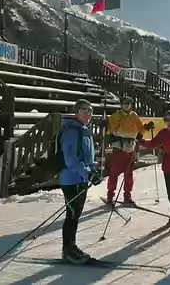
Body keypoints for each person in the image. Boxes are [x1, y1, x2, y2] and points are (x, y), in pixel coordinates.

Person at [59, 99, 102, 264]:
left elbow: (88, 158)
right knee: (71, 215)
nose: (88, 113)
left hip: (81, 179)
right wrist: (87, 173)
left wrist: (94, 171)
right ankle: (67, 250)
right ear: (76, 112)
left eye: (90, 111)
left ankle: (72, 246)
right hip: (70, 180)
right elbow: (71, 160)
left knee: (75, 215)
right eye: (84, 110)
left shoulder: (85, 130)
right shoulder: (71, 130)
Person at [106, 96, 154, 205]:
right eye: (124, 103)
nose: (126, 105)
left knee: (129, 175)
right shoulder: (116, 115)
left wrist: (147, 127)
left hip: (130, 148)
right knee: (114, 173)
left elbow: (140, 130)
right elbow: (110, 130)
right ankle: (110, 196)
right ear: (121, 104)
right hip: (119, 148)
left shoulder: (134, 115)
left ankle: (127, 196)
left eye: (128, 103)